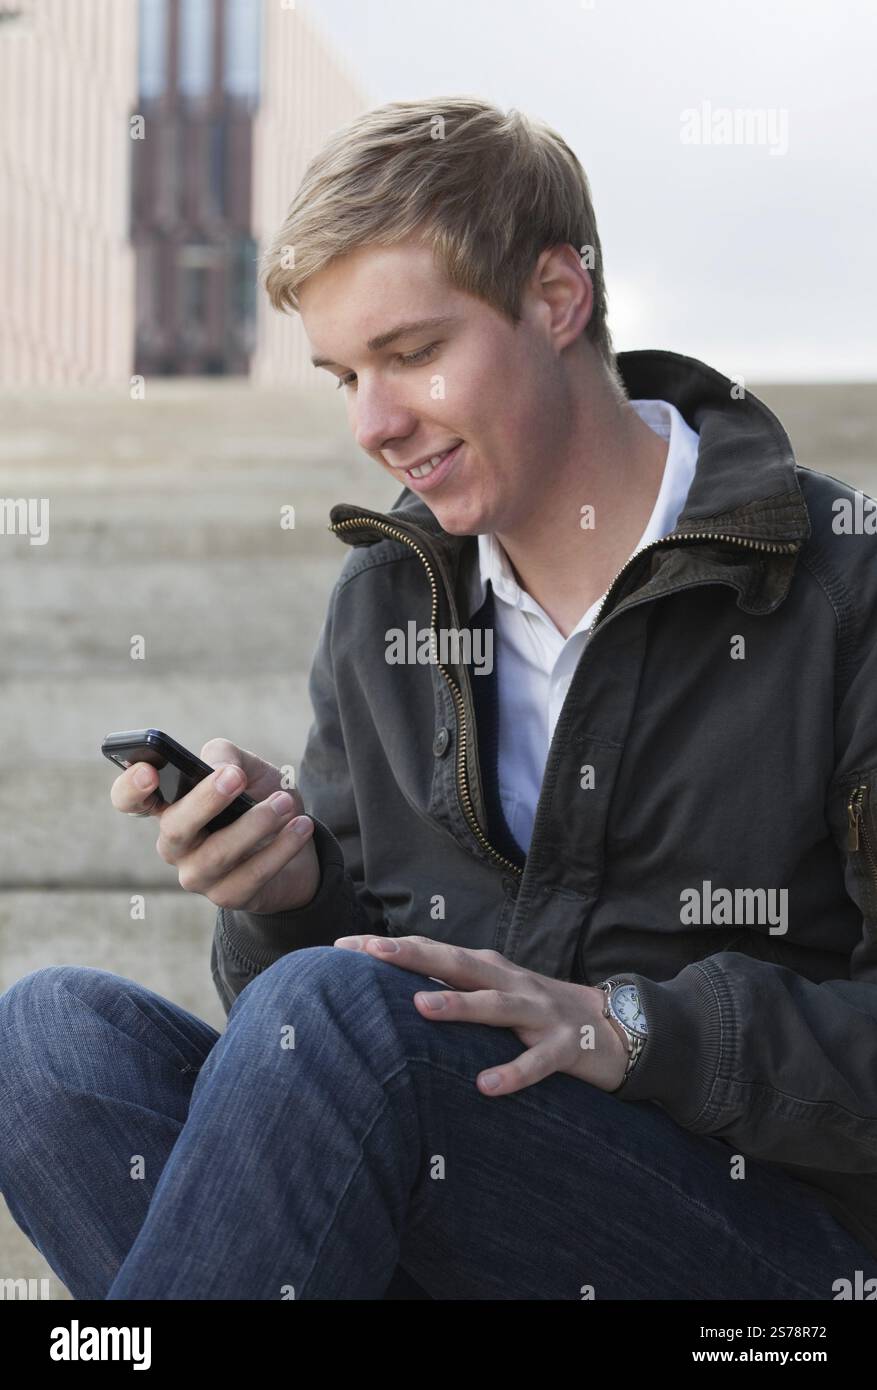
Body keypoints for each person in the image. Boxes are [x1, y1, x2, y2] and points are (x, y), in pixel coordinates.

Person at [2, 96, 877, 1301]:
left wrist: (629, 1027)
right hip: (471, 1203)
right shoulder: (386, 602)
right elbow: (302, 1043)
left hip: (762, 1248)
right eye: (343, 375)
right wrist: (285, 896)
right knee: (49, 1039)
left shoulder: (841, 587)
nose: (373, 424)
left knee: (342, 1021)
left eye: (412, 353)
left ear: (556, 296)